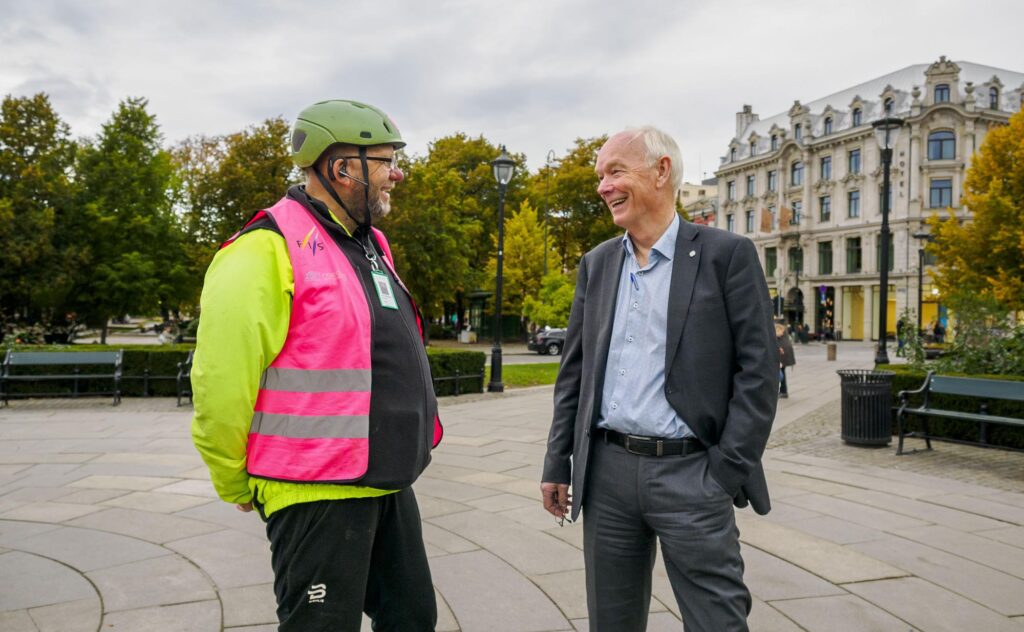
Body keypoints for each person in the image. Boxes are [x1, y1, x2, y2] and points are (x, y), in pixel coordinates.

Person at [191, 99, 443, 631]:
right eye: (385, 160)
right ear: (341, 167)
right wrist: (235, 481)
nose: (397, 173)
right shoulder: (264, 247)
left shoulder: (371, 243)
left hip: (385, 478)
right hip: (315, 486)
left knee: (413, 618)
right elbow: (221, 381)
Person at [540, 127, 778, 631]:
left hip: (692, 475)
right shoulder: (598, 263)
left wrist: (723, 475)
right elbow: (575, 373)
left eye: (616, 172)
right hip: (606, 474)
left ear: (662, 171)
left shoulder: (726, 255)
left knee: (717, 621)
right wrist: (558, 461)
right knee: (612, 622)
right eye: (601, 176)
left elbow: (758, 373)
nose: (603, 186)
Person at [776, 322, 796, 398]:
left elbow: (778, 334)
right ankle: (783, 391)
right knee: (782, 373)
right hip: (785, 354)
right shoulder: (783, 330)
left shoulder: (779, 328)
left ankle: (783, 392)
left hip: (783, 354)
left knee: (781, 373)